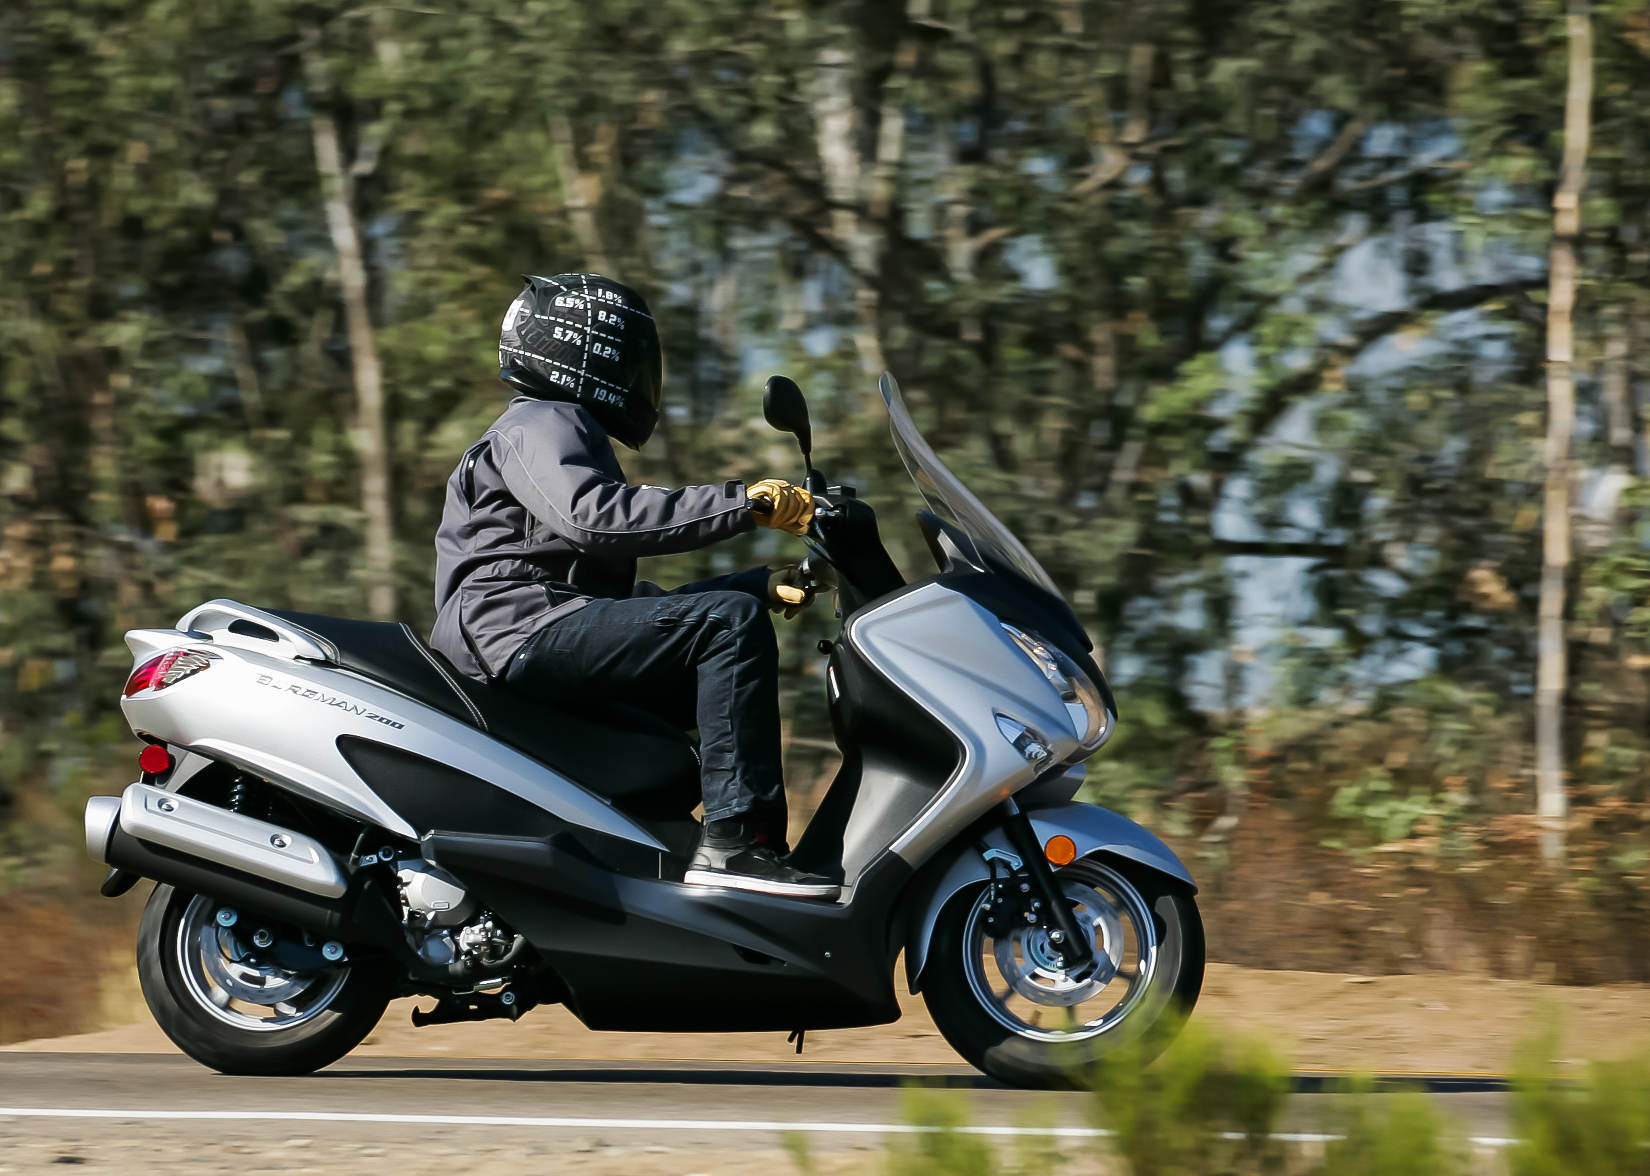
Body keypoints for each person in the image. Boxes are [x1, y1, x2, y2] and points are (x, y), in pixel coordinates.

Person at [430, 273, 839, 900]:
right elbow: (594, 518)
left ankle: (662, 861)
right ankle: (737, 848)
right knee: (725, 626)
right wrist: (745, 503)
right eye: (632, 359)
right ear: (586, 352)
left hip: (528, 629)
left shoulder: (554, 429)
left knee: (719, 633)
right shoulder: (544, 419)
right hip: (512, 633)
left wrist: (756, 583)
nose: (642, 378)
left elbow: (610, 609)